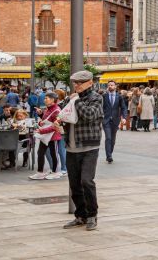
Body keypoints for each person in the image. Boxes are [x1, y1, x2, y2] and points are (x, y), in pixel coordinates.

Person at [62, 70, 104, 232]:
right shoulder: (71, 98)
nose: (77, 85)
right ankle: (81, 216)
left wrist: (76, 100)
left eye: (80, 82)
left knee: (86, 181)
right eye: (75, 83)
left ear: (90, 83)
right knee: (74, 184)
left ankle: (92, 215)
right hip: (71, 146)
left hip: (89, 146)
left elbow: (89, 115)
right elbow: (64, 115)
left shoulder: (96, 98)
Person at [29, 92, 61, 180]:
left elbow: (55, 126)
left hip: (53, 136)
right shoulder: (48, 109)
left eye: (46, 98)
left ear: (53, 100)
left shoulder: (57, 111)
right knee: (40, 152)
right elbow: (45, 121)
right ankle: (40, 172)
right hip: (45, 135)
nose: (44, 100)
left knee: (54, 154)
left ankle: (56, 172)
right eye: (45, 98)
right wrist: (40, 114)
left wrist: (41, 130)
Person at [102, 81, 126, 163]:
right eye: (108, 85)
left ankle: (110, 153)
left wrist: (124, 117)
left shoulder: (119, 97)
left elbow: (123, 107)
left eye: (112, 85)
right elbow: (101, 107)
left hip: (115, 120)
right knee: (108, 138)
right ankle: (109, 156)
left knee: (112, 139)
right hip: (106, 120)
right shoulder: (104, 96)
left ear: (115, 86)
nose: (110, 86)